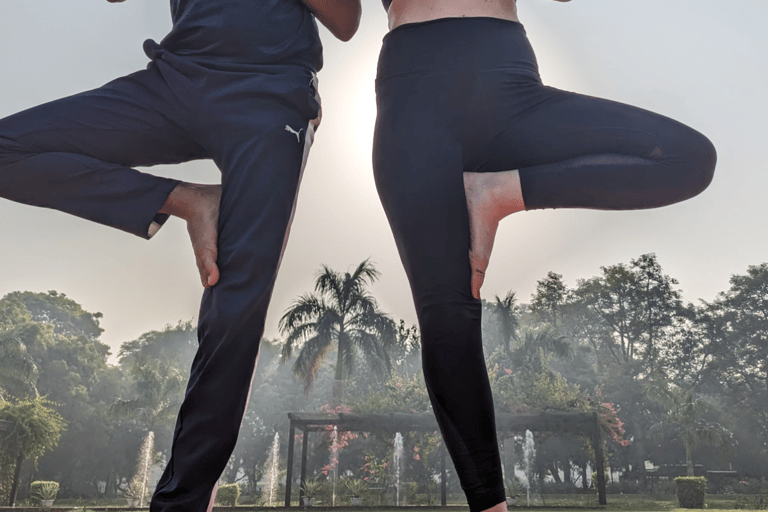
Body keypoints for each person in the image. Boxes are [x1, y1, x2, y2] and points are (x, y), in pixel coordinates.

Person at [0, 0, 361, 510]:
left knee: (232, 310)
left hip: (269, 92)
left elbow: (346, 21)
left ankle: (182, 504)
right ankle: (184, 199)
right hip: (173, 82)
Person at [372, 1, 716, 512]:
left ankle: (503, 191)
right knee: (448, 309)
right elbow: (343, 18)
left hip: (508, 82)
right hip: (413, 95)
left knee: (689, 157)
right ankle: (491, 506)